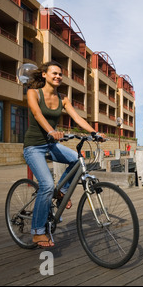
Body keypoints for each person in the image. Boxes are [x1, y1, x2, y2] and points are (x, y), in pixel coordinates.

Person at [23, 61, 105, 248]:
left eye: (60, 74)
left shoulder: (63, 99)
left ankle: (62, 192)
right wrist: (51, 131)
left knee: (77, 160)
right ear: (44, 75)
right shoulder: (33, 93)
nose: (58, 76)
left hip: (51, 145)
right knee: (46, 184)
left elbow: (77, 118)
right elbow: (37, 114)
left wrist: (94, 133)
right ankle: (37, 232)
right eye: (54, 73)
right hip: (34, 147)